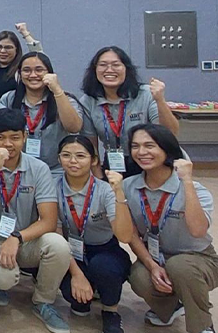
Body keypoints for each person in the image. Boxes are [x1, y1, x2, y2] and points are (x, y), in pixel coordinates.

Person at [0, 108, 72, 333]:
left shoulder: (39, 168)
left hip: (24, 237)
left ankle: (43, 302)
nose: (8, 144)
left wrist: (17, 237)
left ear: (25, 136)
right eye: (0, 137)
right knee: (4, 279)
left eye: (15, 137)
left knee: (59, 245)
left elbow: (49, 221)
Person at [124, 124, 218, 333]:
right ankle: (172, 307)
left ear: (166, 149)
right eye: (135, 146)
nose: (141, 152)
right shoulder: (128, 186)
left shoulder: (195, 189)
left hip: (199, 258)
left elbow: (198, 231)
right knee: (138, 276)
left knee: (180, 267)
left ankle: (202, 326)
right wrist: (152, 266)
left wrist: (186, 181)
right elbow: (130, 235)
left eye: (149, 145)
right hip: (156, 256)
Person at [55, 135, 133, 333]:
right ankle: (88, 290)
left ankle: (110, 310)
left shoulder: (105, 190)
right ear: (59, 158)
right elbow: (56, 234)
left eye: (80, 156)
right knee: (76, 299)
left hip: (104, 249)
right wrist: (77, 275)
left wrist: (119, 194)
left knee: (104, 268)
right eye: (66, 155)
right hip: (71, 251)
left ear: (94, 160)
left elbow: (124, 236)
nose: (73, 161)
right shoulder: (53, 187)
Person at [79, 46, 179, 176]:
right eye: (103, 65)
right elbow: (91, 146)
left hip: (149, 159)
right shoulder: (88, 101)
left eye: (116, 65)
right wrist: (100, 179)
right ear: (94, 70)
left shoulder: (146, 94)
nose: (109, 70)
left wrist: (160, 100)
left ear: (127, 69)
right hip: (113, 161)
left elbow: (170, 133)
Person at [0, 52, 85, 176]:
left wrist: (57, 90)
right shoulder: (8, 99)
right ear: (19, 74)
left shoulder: (64, 99)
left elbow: (74, 127)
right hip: (18, 170)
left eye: (39, 70)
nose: (33, 75)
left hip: (55, 171)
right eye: (27, 70)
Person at [0, 23, 44, 99]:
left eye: (8, 47)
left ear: (16, 50)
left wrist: (25, 34)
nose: (3, 51)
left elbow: (40, 57)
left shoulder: (23, 69)